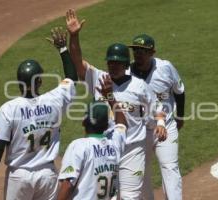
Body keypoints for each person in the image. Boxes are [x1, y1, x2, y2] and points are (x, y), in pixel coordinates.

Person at [61, 9, 167, 199]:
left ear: (126, 64)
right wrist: (74, 36)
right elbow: (77, 61)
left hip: (132, 149)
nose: (113, 65)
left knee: (128, 197)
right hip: (106, 149)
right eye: (110, 62)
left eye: (117, 63)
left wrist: (160, 123)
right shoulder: (98, 77)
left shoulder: (139, 86)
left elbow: (157, 108)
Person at [0, 58, 77, 200]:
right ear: (39, 81)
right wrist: (63, 49)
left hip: (19, 177)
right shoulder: (54, 100)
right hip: (47, 175)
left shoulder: (9, 109)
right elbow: (72, 79)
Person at [128, 34, 185, 200]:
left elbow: (179, 92)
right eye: (136, 50)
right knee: (142, 171)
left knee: (169, 167)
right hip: (139, 131)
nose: (138, 54)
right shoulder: (127, 72)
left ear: (152, 52)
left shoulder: (165, 68)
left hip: (166, 126)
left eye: (143, 51)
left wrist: (180, 116)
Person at [57, 75, 127, 200]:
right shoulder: (115, 143)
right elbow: (122, 122)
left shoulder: (78, 146)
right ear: (106, 125)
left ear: (84, 122)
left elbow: (67, 185)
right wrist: (110, 96)